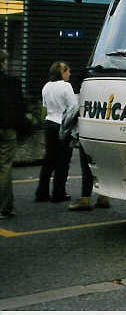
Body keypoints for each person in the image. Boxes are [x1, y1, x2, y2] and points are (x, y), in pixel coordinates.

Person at [35, 61, 77, 202]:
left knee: (49, 159)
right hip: (62, 124)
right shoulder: (66, 86)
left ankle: (42, 192)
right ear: (62, 72)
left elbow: (45, 106)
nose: (69, 73)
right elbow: (73, 107)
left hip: (49, 123)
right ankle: (58, 193)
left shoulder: (46, 86)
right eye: (67, 70)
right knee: (63, 161)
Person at [64, 107, 110, 211]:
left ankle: (85, 199)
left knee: (87, 166)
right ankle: (104, 196)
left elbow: (75, 110)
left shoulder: (85, 97)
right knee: (102, 166)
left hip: (88, 131)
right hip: (104, 131)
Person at [0, 50, 27, 219]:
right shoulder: (12, 82)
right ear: (3, 63)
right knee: (5, 166)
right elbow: (20, 107)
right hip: (7, 128)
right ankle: (5, 207)